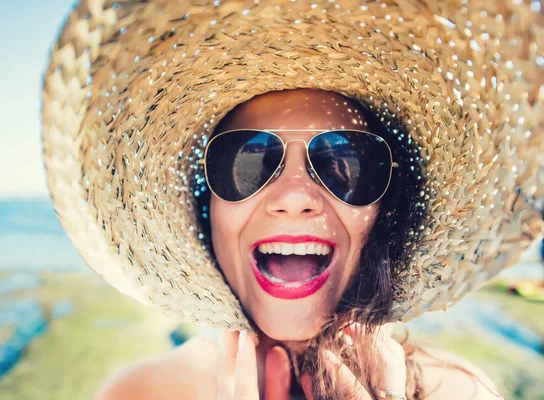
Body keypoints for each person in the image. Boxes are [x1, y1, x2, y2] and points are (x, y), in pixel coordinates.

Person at [40, 0, 544, 399]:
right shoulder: (139, 395)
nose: (294, 197)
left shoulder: (460, 392)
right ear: (205, 213)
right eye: (249, 161)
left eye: (345, 164)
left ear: (385, 211)